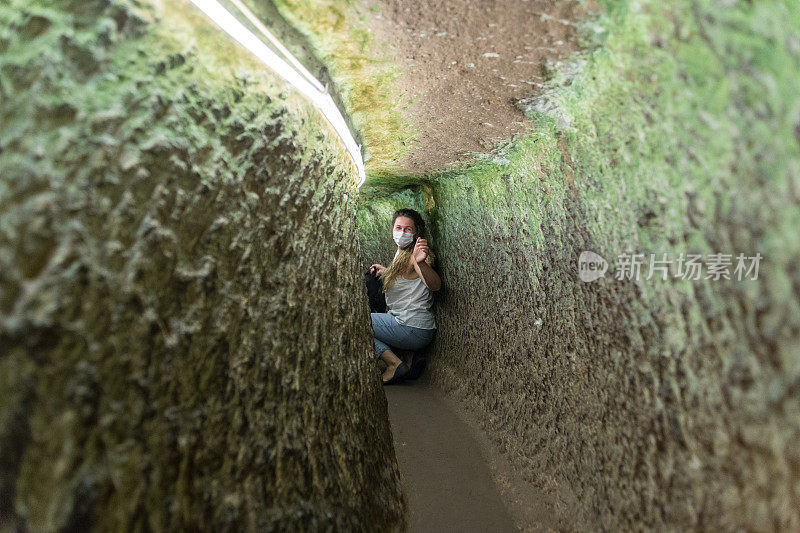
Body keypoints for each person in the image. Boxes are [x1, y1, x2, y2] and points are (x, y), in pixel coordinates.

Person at [369, 208, 441, 384]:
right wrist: (386, 272)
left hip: (412, 328)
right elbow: (407, 280)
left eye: (408, 229)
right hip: (408, 324)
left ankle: (393, 364)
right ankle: (406, 355)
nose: (402, 233)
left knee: (355, 320)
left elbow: (434, 285)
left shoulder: (417, 255)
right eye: (398, 228)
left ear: (417, 232)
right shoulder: (401, 252)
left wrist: (421, 263)